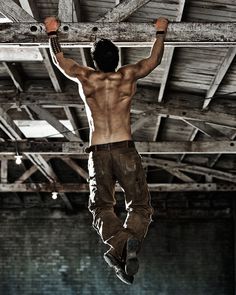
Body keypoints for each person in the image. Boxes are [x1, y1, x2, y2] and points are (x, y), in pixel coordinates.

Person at [44, 16, 168, 285]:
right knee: (141, 206)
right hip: (124, 149)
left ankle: (119, 248)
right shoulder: (128, 75)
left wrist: (52, 33)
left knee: (102, 206)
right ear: (118, 58)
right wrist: (160, 31)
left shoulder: (87, 77)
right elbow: (154, 60)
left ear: (94, 61)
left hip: (98, 151)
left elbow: (60, 61)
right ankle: (122, 247)